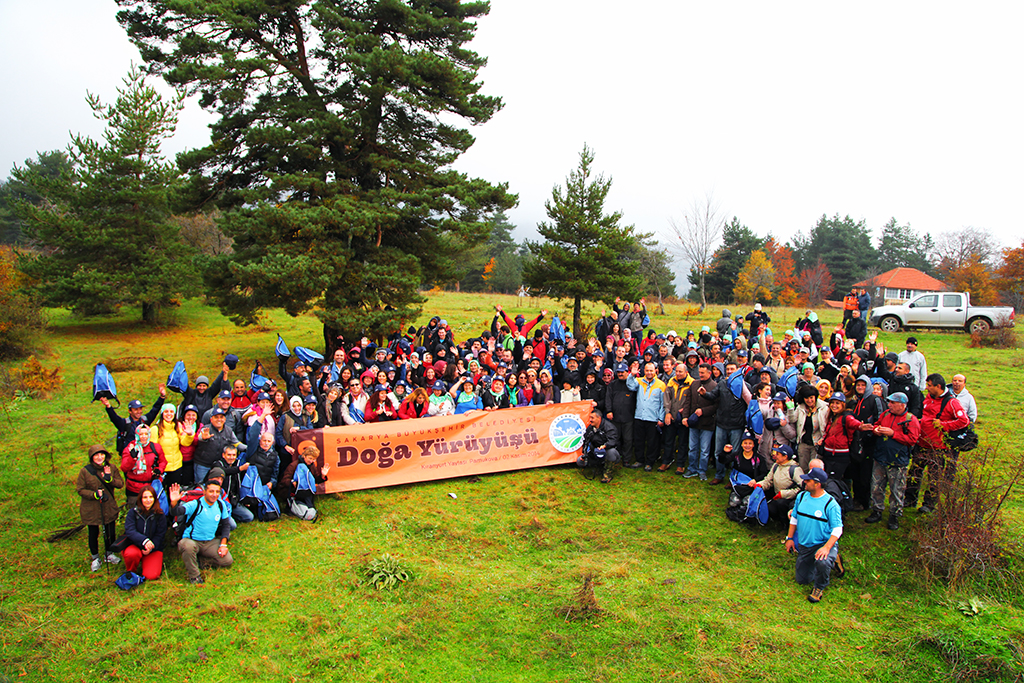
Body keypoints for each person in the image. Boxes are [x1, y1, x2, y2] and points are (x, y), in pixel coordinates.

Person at [905, 373, 970, 514]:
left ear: (938, 386)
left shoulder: (952, 402)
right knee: (914, 473)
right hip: (922, 443)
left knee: (934, 478)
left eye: (929, 385)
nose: (927, 388)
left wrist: (944, 425)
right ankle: (909, 500)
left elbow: (964, 421)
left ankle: (929, 504)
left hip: (938, 448)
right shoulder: (929, 398)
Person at [785, 468, 844, 603]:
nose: (804, 482)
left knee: (822, 562)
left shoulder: (831, 504)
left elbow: (837, 529)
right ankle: (831, 560)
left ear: (817, 484)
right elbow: (794, 518)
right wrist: (789, 538)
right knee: (802, 580)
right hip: (805, 545)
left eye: (808, 480)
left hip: (823, 544)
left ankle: (819, 587)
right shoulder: (801, 497)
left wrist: (826, 548)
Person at [865, 392, 921, 529]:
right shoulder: (885, 415)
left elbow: (913, 440)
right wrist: (876, 430)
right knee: (876, 486)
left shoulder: (911, 420)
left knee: (897, 490)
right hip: (880, 457)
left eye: (892, 403)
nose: (889, 405)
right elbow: (876, 425)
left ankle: (894, 515)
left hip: (898, 461)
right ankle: (877, 510)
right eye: (889, 402)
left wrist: (893, 434)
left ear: (902, 405)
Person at [168, 480, 233, 585]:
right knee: (187, 546)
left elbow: (226, 525)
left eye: (217, 492)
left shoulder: (221, 505)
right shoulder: (195, 504)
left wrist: (223, 544)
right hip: (192, 540)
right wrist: (174, 502)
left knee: (227, 560)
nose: (214, 494)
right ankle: (195, 577)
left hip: (209, 541)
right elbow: (176, 512)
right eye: (211, 491)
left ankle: (198, 561)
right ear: (204, 492)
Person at [76, 445, 124, 572]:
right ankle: (95, 557)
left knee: (110, 531)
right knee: (93, 533)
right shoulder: (85, 471)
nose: (99, 457)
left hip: (108, 506)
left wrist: (109, 479)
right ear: (91, 457)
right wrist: (94, 495)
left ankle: (109, 553)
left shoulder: (111, 468)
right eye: (96, 455)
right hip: (91, 508)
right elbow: (80, 489)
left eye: (102, 454)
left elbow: (120, 484)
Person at [100, 386, 166, 457]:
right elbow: (114, 417)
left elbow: (155, 410)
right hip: (129, 456)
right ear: (130, 411)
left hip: (143, 454)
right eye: (135, 410)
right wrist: (108, 406)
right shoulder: (124, 424)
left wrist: (162, 397)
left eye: (140, 409)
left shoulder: (145, 420)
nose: (139, 412)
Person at [626, 361, 666, 472]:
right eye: (647, 370)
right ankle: (639, 460)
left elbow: (663, 404)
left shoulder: (661, 385)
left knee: (652, 442)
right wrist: (632, 374)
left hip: (653, 418)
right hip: (639, 416)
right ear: (644, 371)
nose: (649, 372)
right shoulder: (639, 381)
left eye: (651, 370)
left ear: (655, 371)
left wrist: (661, 418)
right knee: (639, 440)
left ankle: (650, 462)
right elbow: (630, 385)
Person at [680, 363, 717, 480]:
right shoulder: (694, 384)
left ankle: (702, 470)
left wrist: (703, 411)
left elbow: (716, 405)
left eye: (703, 373)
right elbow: (688, 402)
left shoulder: (714, 386)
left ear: (709, 373)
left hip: (707, 422)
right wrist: (685, 416)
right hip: (694, 422)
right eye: (699, 372)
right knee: (692, 447)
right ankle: (692, 468)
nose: (700, 375)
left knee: (704, 450)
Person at [122, 485, 167, 580]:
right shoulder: (133, 512)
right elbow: (130, 531)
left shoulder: (160, 515)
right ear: (140, 499)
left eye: (151, 497)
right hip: (135, 545)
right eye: (145, 497)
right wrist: (144, 541)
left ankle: (147, 564)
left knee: (151, 575)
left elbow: (160, 534)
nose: (148, 500)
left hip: (153, 548)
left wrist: (151, 546)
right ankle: (131, 572)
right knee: (131, 554)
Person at [749, 444, 804, 523]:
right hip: (777, 495)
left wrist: (783, 494)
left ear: (785, 457)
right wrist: (760, 485)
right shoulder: (776, 466)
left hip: (789, 498)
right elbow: (768, 480)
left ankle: (785, 523)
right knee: (770, 507)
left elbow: (801, 488)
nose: (775, 455)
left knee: (780, 504)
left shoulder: (795, 470)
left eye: (778, 454)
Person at [120, 424, 167, 510]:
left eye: (146, 434)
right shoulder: (130, 448)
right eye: (141, 434)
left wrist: (159, 470)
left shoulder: (155, 447)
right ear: (137, 435)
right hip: (134, 488)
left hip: (152, 486)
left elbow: (163, 461)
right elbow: (124, 468)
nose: (143, 437)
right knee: (135, 512)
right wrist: (132, 457)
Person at [279, 443, 331, 520]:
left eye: (314, 459)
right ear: (304, 456)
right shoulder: (293, 465)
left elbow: (315, 480)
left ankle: (309, 510)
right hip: (293, 491)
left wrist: (323, 475)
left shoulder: (312, 465)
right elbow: (283, 481)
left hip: (306, 492)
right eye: (310, 458)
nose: (312, 461)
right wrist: (293, 482)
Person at [153, 403, 194, 490]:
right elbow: (153, 449)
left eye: (171, 412)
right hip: (162, 468)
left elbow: (184, 443)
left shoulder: (177, 427)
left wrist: (189, 434)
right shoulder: (155, 429)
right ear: (162, 413)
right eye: (166, 411)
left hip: (176, 466)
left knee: (174, 493)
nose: (169, 414)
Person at [578, 407, 621, 483]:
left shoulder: (610, 427)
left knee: (611, 452)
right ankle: (599, 466)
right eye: (590, 417)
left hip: (607, 451)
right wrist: (584, 454)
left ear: (599, 418)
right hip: (595, 452)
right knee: (579, 461)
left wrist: (604, 446)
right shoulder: (590, 428)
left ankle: (607, 475)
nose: (590, 420)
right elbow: (585, 440)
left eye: (592, 418)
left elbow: (613, 441)